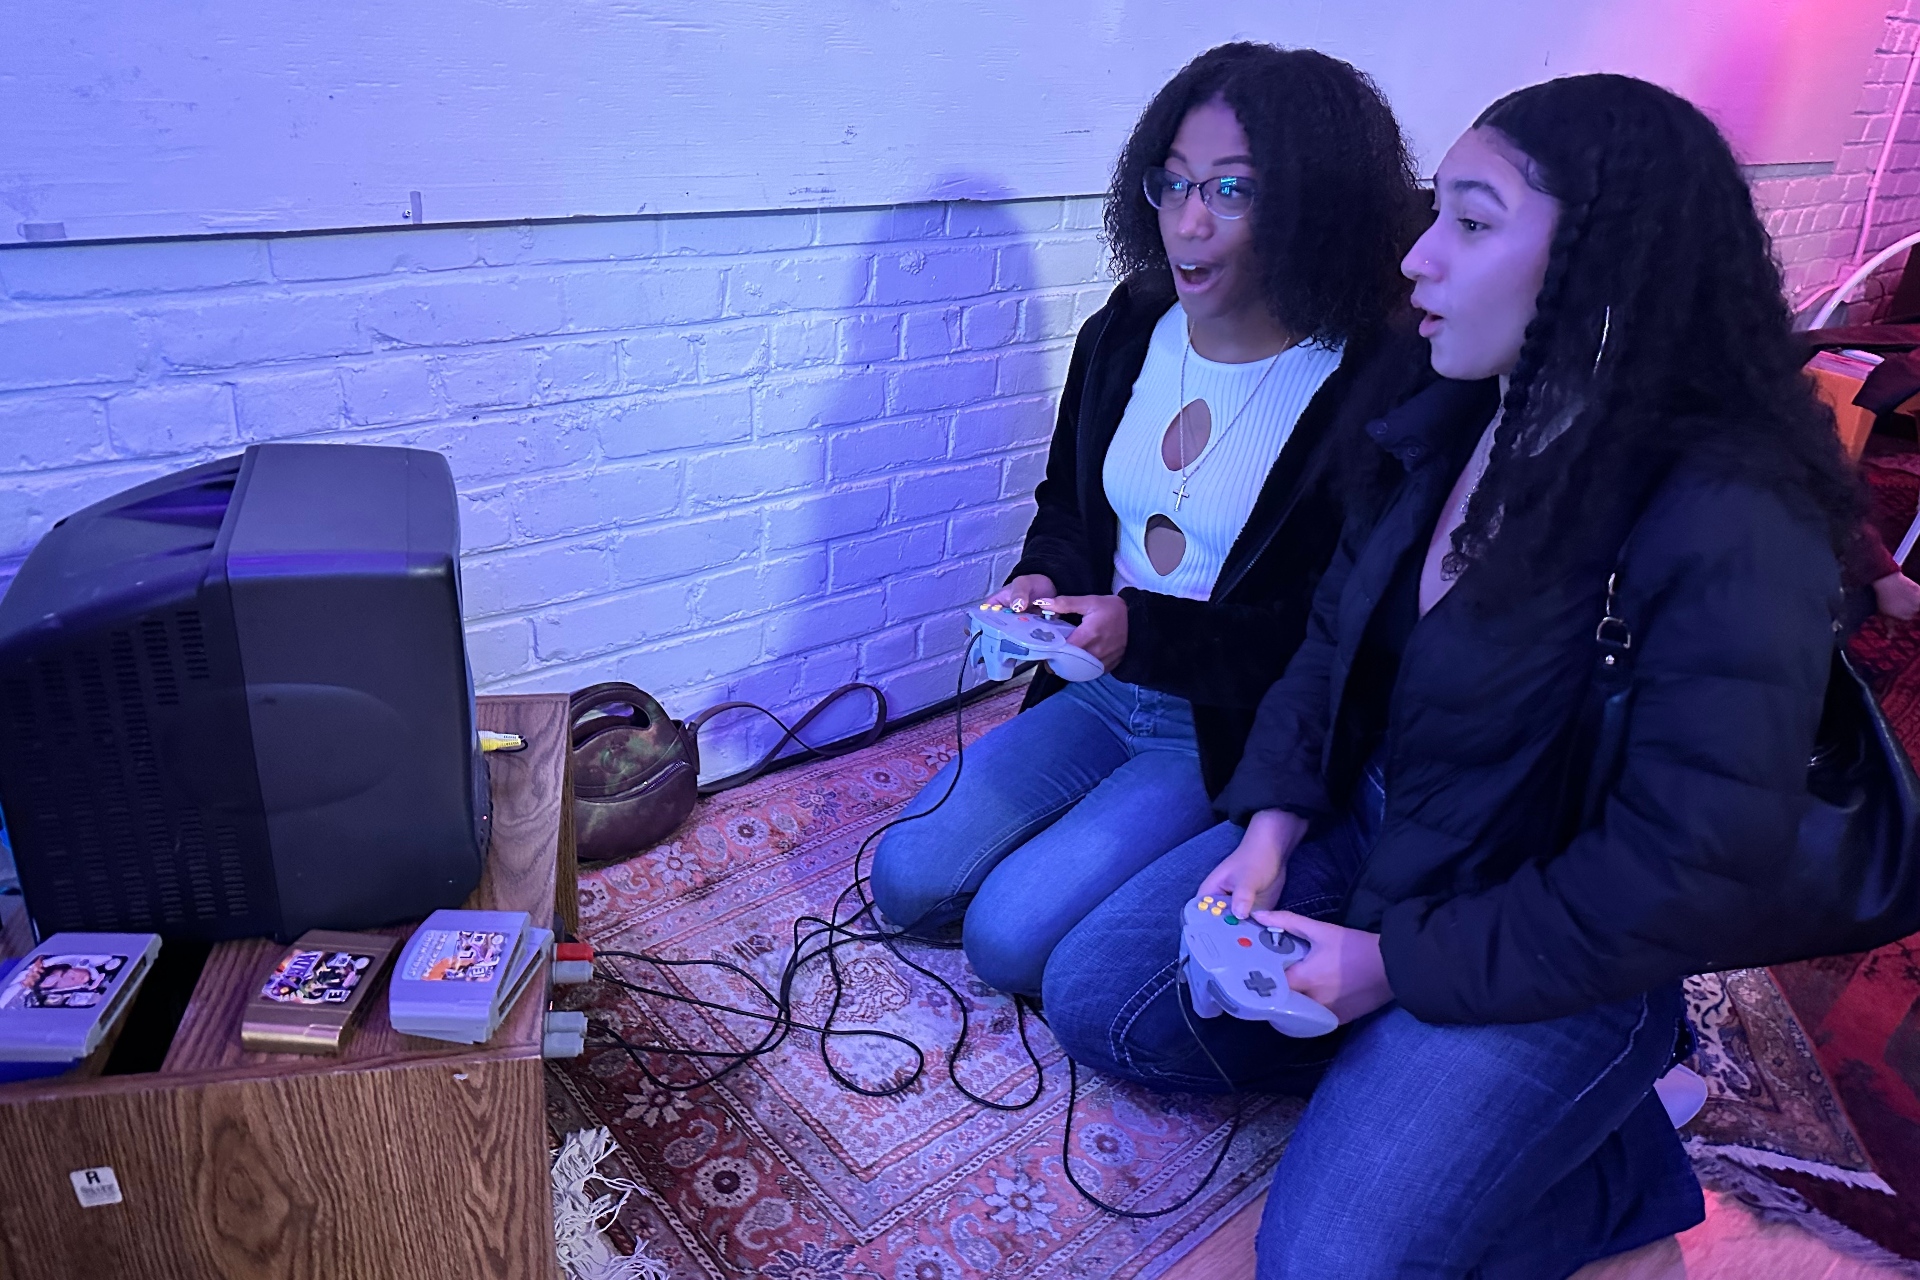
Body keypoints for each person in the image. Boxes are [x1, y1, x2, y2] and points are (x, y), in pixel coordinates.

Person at [1041, 73, 1863, 1277]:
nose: (1418, 259)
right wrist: (1268, 834)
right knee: (1100, 993)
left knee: (1323, 1258)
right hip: (1378, 838)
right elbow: (1330, 642)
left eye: (1471, 224)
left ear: (1604, 261)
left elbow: (1686, 866)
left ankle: (1593, 1119)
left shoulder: (1732, 515)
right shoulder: (1456, 405)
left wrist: (1385, 970)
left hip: (1558, 931)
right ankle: (1483, 1099)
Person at [868, 43, 1432, 997]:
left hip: (1221, 724)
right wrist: (1046, 579)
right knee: (907, 881)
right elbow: (1067, 506)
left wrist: (1148, 632)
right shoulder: (1126, 329)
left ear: (1317, 203)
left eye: (1232, 191)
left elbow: (1337, 638)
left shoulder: (1372, 386)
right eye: (1170, 185)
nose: (1189, 222)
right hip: (1094, 684)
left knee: (1008, 940)